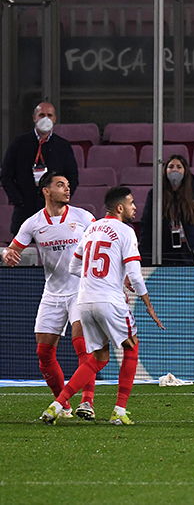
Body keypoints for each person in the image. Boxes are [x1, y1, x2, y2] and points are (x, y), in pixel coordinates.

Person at [40, 186, 165, 425]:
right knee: (131, 347)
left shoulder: (91, 229)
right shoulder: (126, 232)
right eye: (131, 203)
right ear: (120, 208)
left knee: (98, 358)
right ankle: (119, 411)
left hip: (85, 301)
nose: (135, 207)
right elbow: (136, 276)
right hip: (110, 301)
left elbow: (74, 268)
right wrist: (148, 304)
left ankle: (57, 405)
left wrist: (100, 280)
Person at [2, 171, 96, 420]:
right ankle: (63, 405)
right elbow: (12, 249)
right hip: (53, 292)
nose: (67, 189)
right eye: (60, 185)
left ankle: (87, 402)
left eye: (67, 185)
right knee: (43, 353)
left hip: (81, 289)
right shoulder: (33, 223)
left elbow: (102, 242)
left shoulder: (83, 217)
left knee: (82, 346)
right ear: (46, 191)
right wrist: (6, 254)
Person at [1, 102, 79, 236]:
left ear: (55, 119)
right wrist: (18, 200)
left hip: (54, 214)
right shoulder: (19, 144)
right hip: (24, 212)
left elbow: (72, 177)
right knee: (23, 254)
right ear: (34, 118)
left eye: (49, 115)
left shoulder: (63, 146)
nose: (46, 119)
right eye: (42, 115)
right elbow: (6, 175)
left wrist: (61, 200)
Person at [139, 154, 194, 265]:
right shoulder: (155, 194)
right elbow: (146, 226)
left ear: (185, 171)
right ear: (165, 170)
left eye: (179, 167)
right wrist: (146, 259)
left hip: (191, 254)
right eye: (171, 167)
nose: (174, 170)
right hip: (164, 254)